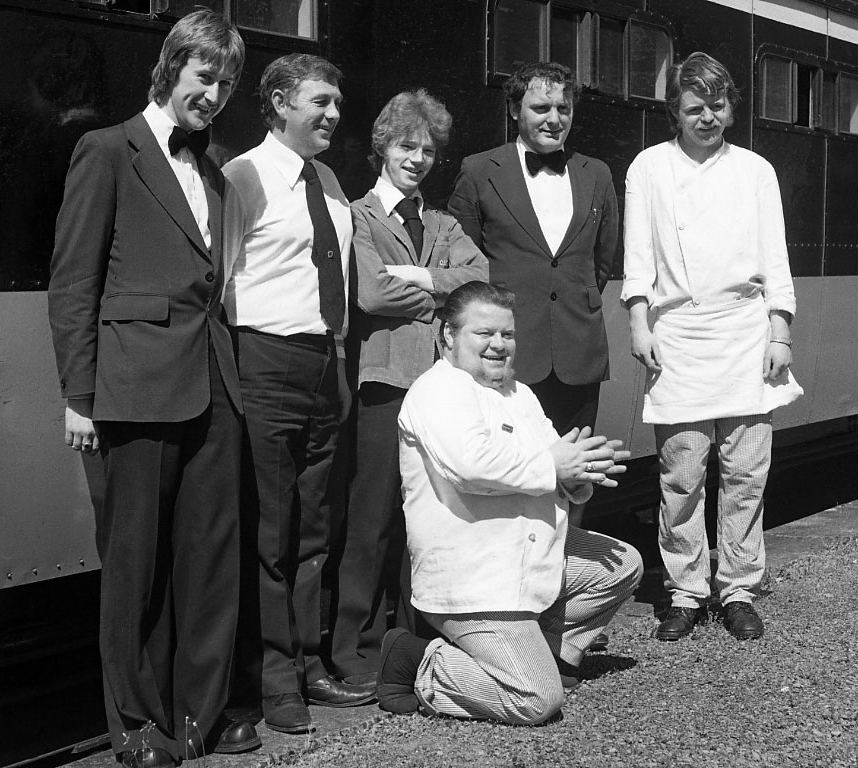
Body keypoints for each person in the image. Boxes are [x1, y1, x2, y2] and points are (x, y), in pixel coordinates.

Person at [47, 10, 259, 765]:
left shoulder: (213, 169)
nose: (215, 94)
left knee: (209, 563)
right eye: (206, 76)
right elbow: (73, 284)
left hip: (212, 383)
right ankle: (135, 725)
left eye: (227, 82)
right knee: (135, 568)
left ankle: (195, 719)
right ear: (171, 67)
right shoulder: (106, 150)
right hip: (132, 388)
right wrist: (81, 394)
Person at [377, 281, 643, 725]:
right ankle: (419, 660)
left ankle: (546, 653)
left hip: (523, 556)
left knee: (620, 565)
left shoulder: (519, 395)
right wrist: (556, 466)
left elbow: (558, 461)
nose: (499, 345)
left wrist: (581, 478)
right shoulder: (438, 389)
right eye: (484, 333)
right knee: (537, 701)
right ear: (448, 335)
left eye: (507, 334)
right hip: (475, 576)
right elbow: (471, 467)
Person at [621, 52, 803, 643]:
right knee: (681, 474)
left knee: (747, 471)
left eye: (717, 106)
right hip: (678, 336)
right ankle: (686, 589)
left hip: (746, 332)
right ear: (675, 111)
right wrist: (639, 324)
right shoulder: (648, 168)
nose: (707, 118)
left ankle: (740, 587)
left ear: (731, 106)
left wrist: (780, 331)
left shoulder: (755, 169)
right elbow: (638, 259)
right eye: (695, 108)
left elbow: (776, 257)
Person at [222, 53, 373, 736]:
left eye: (337, 102)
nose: (333, 114)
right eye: (320, 101)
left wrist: (336, 363)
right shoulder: (241, 177)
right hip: (265, 362)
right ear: (279, 101)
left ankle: (310, 662)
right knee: (271, 531)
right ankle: (274, 678)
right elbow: (220, 284)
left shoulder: (331, 181)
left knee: (316, 529)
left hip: (323, 364)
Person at [330, 90, 488, 687]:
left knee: (425, 520)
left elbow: (483, 278)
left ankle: (414, 643)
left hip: (441, 389)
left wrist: (421, 277)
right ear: (382, 149)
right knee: (370, 519)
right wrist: (443, 295)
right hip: (384, 386)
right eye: (406, 146)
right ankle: (354, 650)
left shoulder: (443, 222)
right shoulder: (358, 215)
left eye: (427, 149)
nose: (418, 158)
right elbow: (370, 293)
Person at [448, 61, 618, 535]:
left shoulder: (597, 174)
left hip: (577, 350)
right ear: (513, 110)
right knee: (511, 471)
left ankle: (563, 585)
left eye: (563, 108)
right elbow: (463, 263)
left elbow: (602, 262)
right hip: (507, 351)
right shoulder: (479, 170)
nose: (553, 118)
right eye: (540, 107)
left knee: (578, 471)